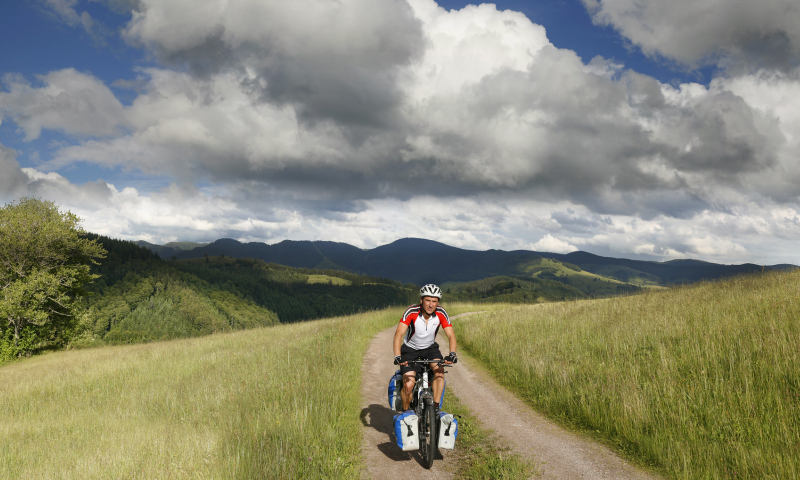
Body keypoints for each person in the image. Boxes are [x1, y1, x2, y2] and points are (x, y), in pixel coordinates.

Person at [393, 284, 457, 412]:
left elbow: (451, 336)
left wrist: (452, 354)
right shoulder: (412, 311)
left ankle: (435, 409)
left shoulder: (441, 313)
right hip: (410, 350)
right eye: (428, 300)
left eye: (434, 301)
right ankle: (406, 413)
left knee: (439, 373)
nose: (430, 304)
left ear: (438, 303)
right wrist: (397, 356)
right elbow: (398, 334)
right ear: (421, 300)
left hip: (430, 349)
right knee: (408, 384)